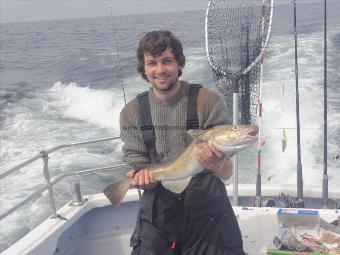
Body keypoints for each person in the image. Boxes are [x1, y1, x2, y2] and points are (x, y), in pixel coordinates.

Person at [120, 30, 245, 255]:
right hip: (158, 218)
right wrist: (140, 178)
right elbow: (137, 164)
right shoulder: (132, 112)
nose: (160, 70)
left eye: (167, 61)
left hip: (209, 218)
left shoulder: (207, 101)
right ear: (144, 68)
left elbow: (226, 172)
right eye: (152, 63)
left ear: (179, 63)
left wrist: (215, 163)